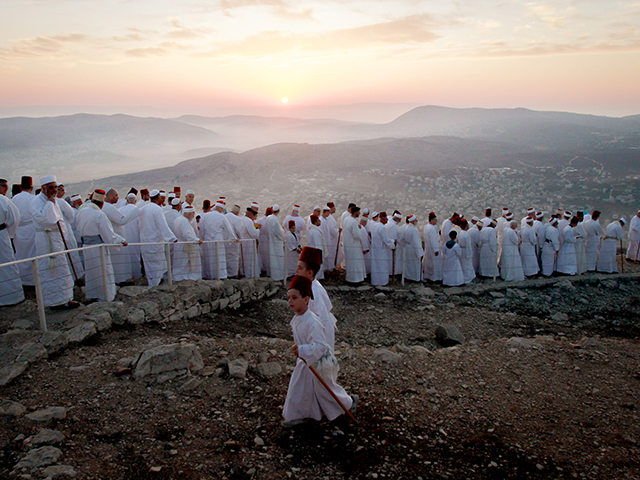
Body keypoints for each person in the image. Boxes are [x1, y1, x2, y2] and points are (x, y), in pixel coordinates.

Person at [282, 275, 356, 428]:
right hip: (305, 361)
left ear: (306, 299)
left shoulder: (312, 321)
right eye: (288, 298)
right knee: (299, 388)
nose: (290, 301)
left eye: (294, 297)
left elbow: (321, 346)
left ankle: (348, 404)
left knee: (325, 391)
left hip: (318, 363)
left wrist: (302, 350)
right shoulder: (297, 318)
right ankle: (298, 417)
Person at [31, 175, 78, 308]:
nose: (54, 190)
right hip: (47, 242)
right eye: (51, 188)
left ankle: (66, 298)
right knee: (50, 270)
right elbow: (49, 219)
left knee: (62, 268)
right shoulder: (37, 202)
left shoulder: (54, 201)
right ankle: (54, 301)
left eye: (56, 187)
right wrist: (50, 202)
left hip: (57, 240)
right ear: (43, 188)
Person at [75, 189, 127, 302]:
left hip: (86, 247)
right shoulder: (99, 214)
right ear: (102, 203)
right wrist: (121, 241)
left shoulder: (82, 211)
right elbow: (109, 235)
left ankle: (93, 294)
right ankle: (106, 297)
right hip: (98, 248)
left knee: (91, 272)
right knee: (104, 272)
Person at [295, 247, 337, 350]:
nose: (296, 271)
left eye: (300, 268)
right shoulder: (307, 286)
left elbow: (321, 319)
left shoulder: (316, 291)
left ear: (310, 273)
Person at [139, 189, 178, 286]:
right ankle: (155, 286)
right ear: (158, 198)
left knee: (149, 266)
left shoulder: (144, 208)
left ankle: (151, 283)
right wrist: (172, 238)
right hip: (155, 242)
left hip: (144, 242)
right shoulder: (157, 209)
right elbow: (162, 226)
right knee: (156, 266)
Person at [104, 188, 141, 283]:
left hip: (113, 238)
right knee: (119, 262)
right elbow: (121, 221)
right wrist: (136, 211)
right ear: (109, 196)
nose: (118, 197)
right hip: (116, 239)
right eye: (116, 195)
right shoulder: (109, 207)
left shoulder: (111, 207)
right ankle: (120, 280)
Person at [0, 184, 24, 306]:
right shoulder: (3, 200)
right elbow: (14, 218)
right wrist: (9, 234)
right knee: (6, 264)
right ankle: (12, 297)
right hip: (1, 236)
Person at [11, 176, 37, 286]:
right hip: (31, 229)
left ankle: (22, 280)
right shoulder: (33, 199)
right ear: (31, 187)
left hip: (18, 230)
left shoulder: (14, 199)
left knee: (20, 255)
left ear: (21, 187)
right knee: (32, 254)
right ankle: (32, 280)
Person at [200, 200, 231, 280]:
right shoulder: (222, 216)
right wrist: (231, 240)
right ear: (221, 209)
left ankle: (209, 275)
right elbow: (228, 229)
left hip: (208, 239)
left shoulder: (205, 216)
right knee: (219, 258)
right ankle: (220, 275)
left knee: (209, 258)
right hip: (218, 239)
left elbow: (201, 229)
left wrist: (202, 238)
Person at [172, 206, 203, 281]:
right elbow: (186, 234)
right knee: (183, 263)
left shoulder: (178, 219)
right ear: (190, 214)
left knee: (180, 263)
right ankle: (182, 278)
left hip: (179, 244)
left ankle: (179, 277)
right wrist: (196, 240)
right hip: (184, 245)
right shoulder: (184, 221)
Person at [120, 193, 143, 279]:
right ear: (135, 201)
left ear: (127, 200)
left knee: (124, 259)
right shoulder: (138, 210)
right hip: (135, 237)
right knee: (135, 257)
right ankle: (137, 276)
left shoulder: (120, 209)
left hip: (123, 238)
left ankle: (125, 277)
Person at [342, 206, 366, 283]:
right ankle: (356, 280)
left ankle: (349, 278)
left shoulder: (346, 219)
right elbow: (357, 235)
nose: (359, 213)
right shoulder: (353, 221)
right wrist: (360, 232)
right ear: (355, 212)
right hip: (354, 245)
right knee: (356, 263)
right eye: (358, 212)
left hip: (347, 244)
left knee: (350, 262)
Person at [370, 212, 395, 285]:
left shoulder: (375, 226)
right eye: (386, 218)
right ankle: (382, 282)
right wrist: (393, 244)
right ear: (383, 218)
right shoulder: (382, 228)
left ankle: (375, 281)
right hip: (381, 250)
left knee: (375, 266)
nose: (387, 220)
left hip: (375, 249)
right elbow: (386, 240)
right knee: (382, 266)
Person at [236, 207, 261, 278]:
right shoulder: (249, 221)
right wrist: (258, 229)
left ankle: (243, 272)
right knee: (250, 260)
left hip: (242, 242)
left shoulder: (240, 219)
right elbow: (254, 234)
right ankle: (250, 275)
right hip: (249, 243)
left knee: (244, 259)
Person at [265, 205, 286, 280]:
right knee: (278, 259)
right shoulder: (274, 219)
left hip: (270, 241)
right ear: (278, 211)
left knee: (272, 259)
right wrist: (283, 232)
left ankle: (272, 275)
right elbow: (278, 232)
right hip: (276, 242)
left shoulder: (268, 218)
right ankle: (279, 276)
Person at [401, 215, 423, 282]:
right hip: (413, 249)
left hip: (407, 248)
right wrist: (420, 253)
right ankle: (415, 278)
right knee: (415, 264)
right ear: (413, 221)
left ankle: (408, 276)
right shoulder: (414, 230)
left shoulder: (406, 228)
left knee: (408, 264)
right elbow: (416, 242)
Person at [306, 214, 328, 280]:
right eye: (318, 220)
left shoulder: (310, 230)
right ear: (315, 222)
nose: (320, 222)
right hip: (316, 253)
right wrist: (320, 255)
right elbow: (318, 245)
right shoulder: (315, 232)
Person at [423, 212, 443, 282]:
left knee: (429, 263)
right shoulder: (431, 228)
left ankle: (428, 276)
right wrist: (436, 250)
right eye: (435, 220)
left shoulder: (426, 226)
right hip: (433, 248)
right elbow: (433, 240)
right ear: (431, 220)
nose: (436, 221)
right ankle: (435, 277)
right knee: (435, 264)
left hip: (428, 248)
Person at [457, 219, 475, 284]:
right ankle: (467, 278)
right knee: (467, 265)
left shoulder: (460, 233)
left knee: (462, 264)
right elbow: (468, 245)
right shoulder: (466, 235)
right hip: (465, 250)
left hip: (461, 250)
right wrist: (469, 254)